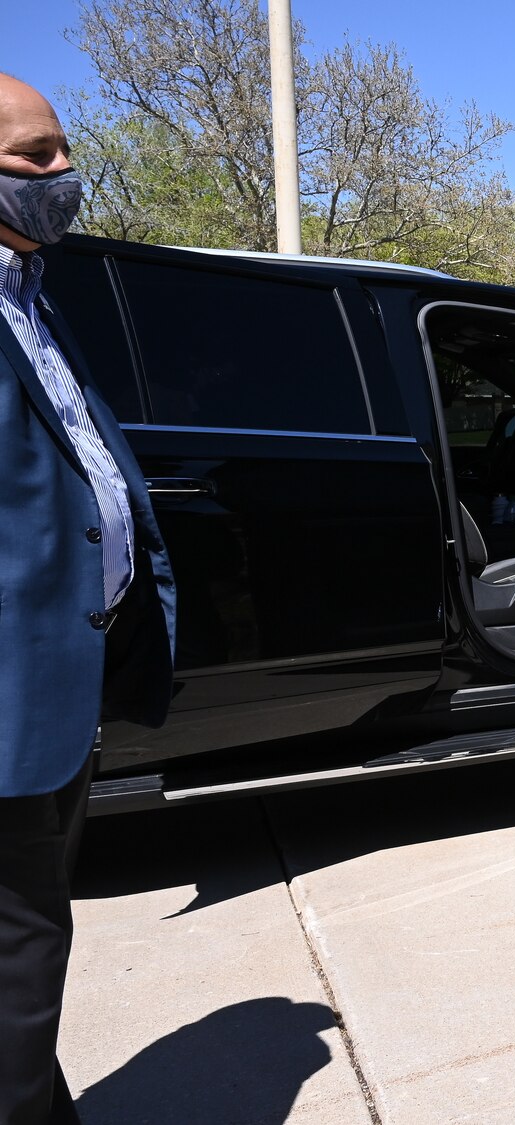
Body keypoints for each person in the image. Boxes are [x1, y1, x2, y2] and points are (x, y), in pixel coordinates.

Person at [0, 74, 176, 1125]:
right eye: (35, 157)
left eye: (63, 151)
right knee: (19, 962)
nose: (64, 175)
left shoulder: (32, 297)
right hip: (11, 706)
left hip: (63, 692)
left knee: (28, 959)